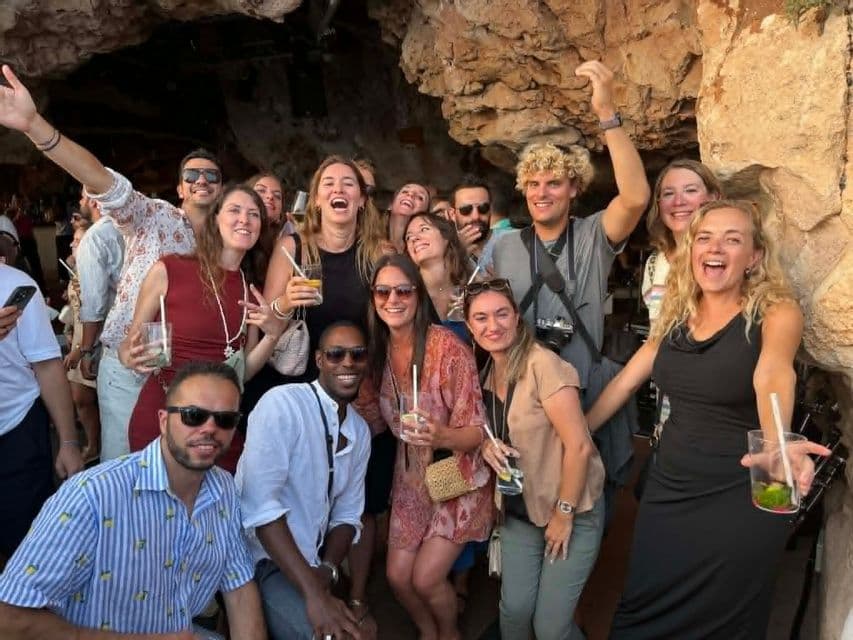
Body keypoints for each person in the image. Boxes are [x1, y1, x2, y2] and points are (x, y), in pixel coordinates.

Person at [585, 200, 831, 638]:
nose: (715, 247)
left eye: (732, 239)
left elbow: (772, 374)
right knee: (640, 609)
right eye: (705, 237)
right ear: (691, 248)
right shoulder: (678, 311)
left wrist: (778, 445)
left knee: (725, 622)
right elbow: (626, 383)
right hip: (671, 486)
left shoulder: (776, 312)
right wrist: (576, 433)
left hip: (744, 490)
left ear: (755, 256)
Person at [0, 64, 224, 461]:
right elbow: (102, 181)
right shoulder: (153, 216)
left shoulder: (228, 243)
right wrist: (35, 126)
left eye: (211, 175)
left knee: (180, 475)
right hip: (132, 369)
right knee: (124, 477)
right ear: (179, 188)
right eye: (192, 174)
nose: (202, 180)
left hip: (189, 374)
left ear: (222, 188)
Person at [0, 361, 266, 639]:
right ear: (163, 421)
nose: (210, 428)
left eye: (225, 419)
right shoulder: (92, 496)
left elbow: (239, 589)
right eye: (193, 415)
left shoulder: (223, 488)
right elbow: (9, 619)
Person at [491, 61, 650, 512]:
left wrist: (608, 113)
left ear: (573, 188)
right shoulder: (503, 247)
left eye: (554, 183)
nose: (542, 193)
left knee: (586, 501)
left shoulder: (593, 236)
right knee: (528, 500)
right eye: (534, 184)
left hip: (585, 392)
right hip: (525, 394)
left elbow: (636, 198)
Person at [465, 278, 605, 640]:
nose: (492, 326)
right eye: (480, 318)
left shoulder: (544, 366)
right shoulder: (485, 372)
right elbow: (496, 431)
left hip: (571, 507)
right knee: (514, 614)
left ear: (517, 318)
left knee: (550, 629)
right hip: (521, 508)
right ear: (469, 326)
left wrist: (564, 513)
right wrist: (484, 447)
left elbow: (579, 447)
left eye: (501, 314)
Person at [367, 254, 492, 640]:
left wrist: (441, 436)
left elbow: (478, 433)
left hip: (456, 474)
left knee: (424, 578)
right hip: (410, 479)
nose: (393, 299)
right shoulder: (377, 352)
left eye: (404, 290)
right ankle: (428, 631)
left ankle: (449, 632)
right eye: (383, 291)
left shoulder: (448, 348)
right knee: (397, 577)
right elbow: (369, 416)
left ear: (419, 296)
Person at [120, 185, 284, 474]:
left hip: (218, 427)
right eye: (235, 210)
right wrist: (129, 356)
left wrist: (272, 334)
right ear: (216, 219)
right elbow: (129, 344)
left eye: (253, 214)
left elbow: (243, 371)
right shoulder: (170, 269)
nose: (244, 220)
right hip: (165, 416)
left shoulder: (249, 288)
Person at [236, 322, 372, 640]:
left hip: (311, 565)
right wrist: (314, 594)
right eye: (336, 355)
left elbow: (348, 516)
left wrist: (326, 571)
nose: (347, 363)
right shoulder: (283, 404)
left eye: (357, 355)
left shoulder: (360, 431)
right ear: (319, 360)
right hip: (259, 561)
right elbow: (261, 510)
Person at [0, 263, 83, 561]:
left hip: (17, 429)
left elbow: (47, 367)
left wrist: (70, 442)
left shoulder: (15, 284)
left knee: (26, 550)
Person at [642, 159, 723, 322]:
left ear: (713, 198)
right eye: (668, 193)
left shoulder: (724, 259)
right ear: (659, 203)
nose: (678, 202)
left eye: (690, 190)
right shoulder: (654, 264)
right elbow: (656, 335)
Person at [74, 189, 125, 383]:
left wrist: (86, 350)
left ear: (94, 202)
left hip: (115, 339)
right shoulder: (129, 228)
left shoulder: (94, 238)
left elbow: (95, 303)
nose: (80, 201)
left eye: (82, 197)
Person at [63, 220, 101, 463]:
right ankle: (93, 444)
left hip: (95, 345)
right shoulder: (77, 273)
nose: (71, 244)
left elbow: (98, 315)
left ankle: (104, 446)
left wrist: (80, 349)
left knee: (98, 400)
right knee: (80, 399)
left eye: (77, 241)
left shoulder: (97, 273)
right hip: (77, 338)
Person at [404, 211, 472, 325]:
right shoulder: (408, 296)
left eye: (424, 229)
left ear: (446, 237)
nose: (414, 238)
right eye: (408, 237)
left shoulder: (471, 287)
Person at [450, 175, 493, 268]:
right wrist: (458, 253)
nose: (475, 216)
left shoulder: (510, 241)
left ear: (491, 210)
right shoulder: (444, 252)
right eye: (466, 210)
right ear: (452, 214)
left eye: (483, 208)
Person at [387, 182, 430, 253]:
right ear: (390, 205)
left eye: (420, 197)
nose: (410, 195)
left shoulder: (422, 250)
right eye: (405, 191)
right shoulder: (367, 237)